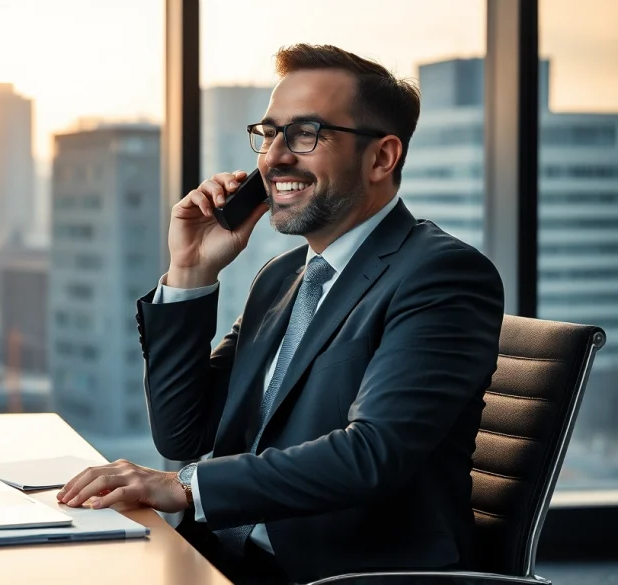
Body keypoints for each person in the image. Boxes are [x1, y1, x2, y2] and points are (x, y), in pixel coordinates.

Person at [56, 44, 505, 584]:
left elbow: (372, 454)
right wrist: (190, 270)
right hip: (219, 560)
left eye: (305, 134)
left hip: (340, 575)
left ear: (382, 157)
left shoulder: (442, 275)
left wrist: (187, 487)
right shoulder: (281, 277)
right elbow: (183, 434)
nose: (272, 159)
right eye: (269, 134)